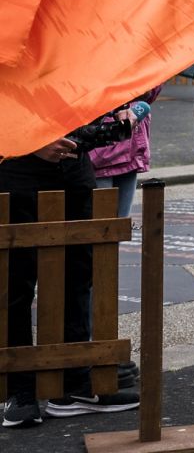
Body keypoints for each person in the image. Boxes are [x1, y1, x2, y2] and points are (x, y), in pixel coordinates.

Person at [2, 128, 141, 428]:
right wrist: (31, 141)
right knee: (15, 282)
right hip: (15, 165)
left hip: (75, 163)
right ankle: (19, 390)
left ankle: (75, 384)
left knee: (79, 276)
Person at [87, 88, 162, 218]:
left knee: (121, 222)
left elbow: (151, 93)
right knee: (102, 222)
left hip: (130, 144)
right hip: (101, 147)